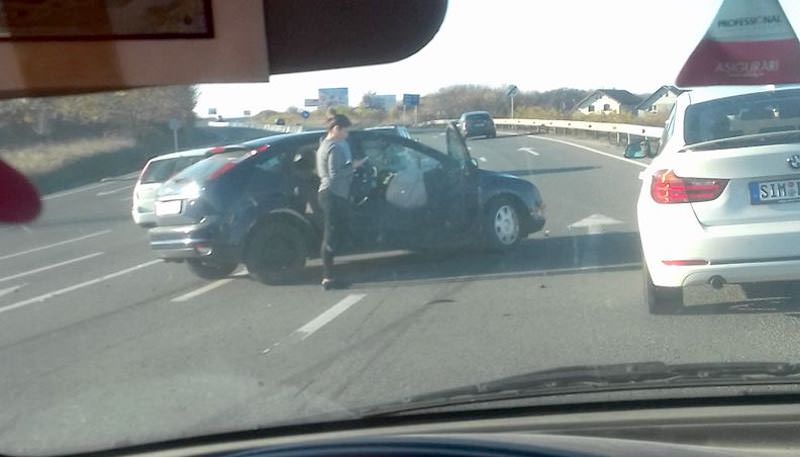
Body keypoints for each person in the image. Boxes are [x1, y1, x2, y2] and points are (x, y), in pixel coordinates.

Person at [316, 109, 364, 290]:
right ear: (336, 129)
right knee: (330, 235)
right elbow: (335, 175)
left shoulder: (323, 145)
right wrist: (354, 166)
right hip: (333, 194)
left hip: (328, 193)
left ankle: (330, 274)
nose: (347, 134)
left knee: (333, 233)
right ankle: (328, 277)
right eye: (345, 130)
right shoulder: (334, 148)